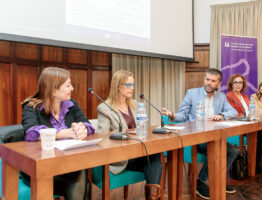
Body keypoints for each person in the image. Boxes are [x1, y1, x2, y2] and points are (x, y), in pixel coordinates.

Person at [162, 68, 238, 200]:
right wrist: (173, 115)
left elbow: (234, 112)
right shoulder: (192, 93)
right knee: (216, 149)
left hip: (214, 135)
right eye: (207, 79)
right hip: (196, 136)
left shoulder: (221, 96)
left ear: (219, 83)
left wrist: (221, 115)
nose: (209, 83)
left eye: (213, 81)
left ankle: (218, 180)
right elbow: (183, 114)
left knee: (233, 150)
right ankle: (201, 182)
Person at [22, 67, 95, 200]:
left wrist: (81, 128)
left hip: (67, 164)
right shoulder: (31, 106)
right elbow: (31, 133)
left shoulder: (71, 104)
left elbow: (88, 125)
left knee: (79, 175)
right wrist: (62, 133)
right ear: (53, 89)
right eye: (68, 85)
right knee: (82, 182)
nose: (72, 88)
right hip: (40, 168)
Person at [97, 70, 162, 200]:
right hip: (121, 156)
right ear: (117, 85)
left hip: (138, 151)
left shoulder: (136, 105)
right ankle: (154, 197)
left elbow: (142, 128)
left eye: (133, 84)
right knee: (153, 160)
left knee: (155, 155)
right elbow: (102, 137)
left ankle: (153, 197)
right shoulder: (105, 108)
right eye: (128, 85)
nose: (132, 88)